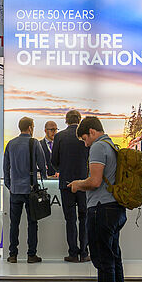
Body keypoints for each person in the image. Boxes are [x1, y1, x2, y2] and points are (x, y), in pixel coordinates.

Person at [70, 116, 126, 282]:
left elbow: (94, 182)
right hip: (116, 208)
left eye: (85, 139)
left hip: (101, 209)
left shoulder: (98, 147)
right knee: (114, 256)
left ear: (92, 132)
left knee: (102, 259)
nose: (85, 144)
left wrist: (77, 184)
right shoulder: (112, 146)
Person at [3, 117, 47, 264]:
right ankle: (31, 255)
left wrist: (9, 184)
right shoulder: (34, 143)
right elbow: (42, 164)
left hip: (15, 190)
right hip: (31, 190)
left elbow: (6, 167)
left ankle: (13, 254)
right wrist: (45, 177)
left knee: (14, 224)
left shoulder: (11, 144)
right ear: (29, 128)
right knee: (32, 223)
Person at [54, 110, 89, 263]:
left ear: (66, 120)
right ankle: (84, 252)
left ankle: (73, 253)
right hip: (84, 183)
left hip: (66, 183)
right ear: (79, 120)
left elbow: (54, 160)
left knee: (70, 220)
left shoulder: (59, 136)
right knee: (84, 218)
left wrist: (61, 170)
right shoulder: (84, 136)